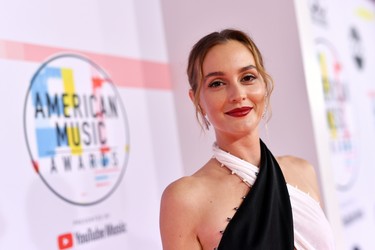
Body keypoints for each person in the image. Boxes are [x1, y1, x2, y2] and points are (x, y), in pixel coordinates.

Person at [160, 29, 335, 250]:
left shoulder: (303, 170)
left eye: (248, 78)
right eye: (217, 83)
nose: (238, 94)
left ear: (264, 85)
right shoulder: (184, 199)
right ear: (196, 99)